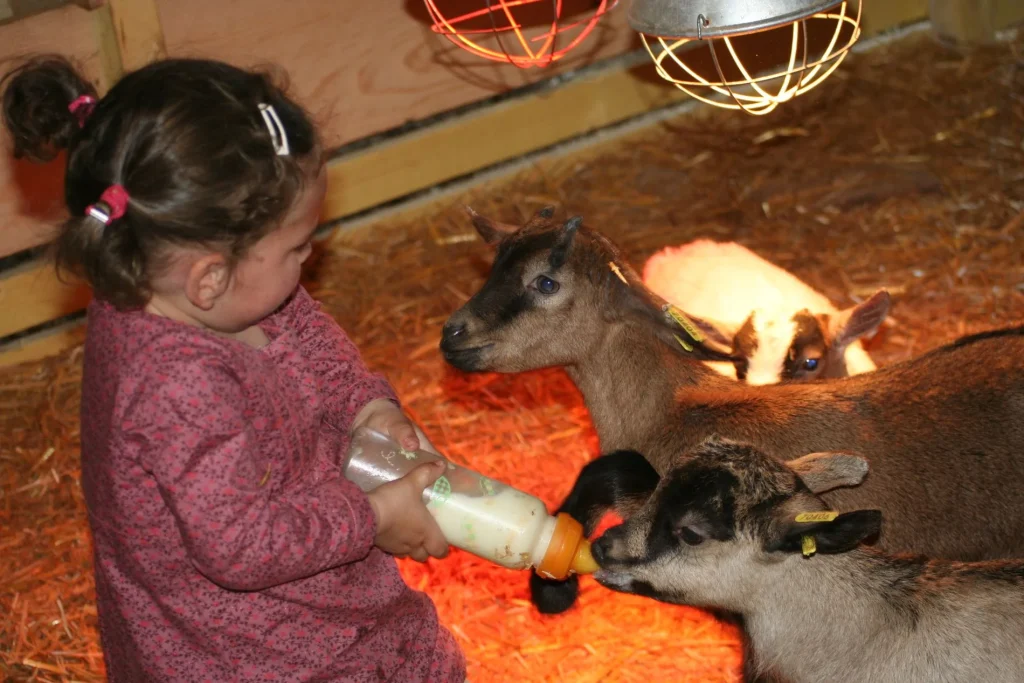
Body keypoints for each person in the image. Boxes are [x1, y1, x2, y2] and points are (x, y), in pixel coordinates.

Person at [1, 55, 465, 682]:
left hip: (315, 592)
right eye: (299, 248)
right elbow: (243, 545)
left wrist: (366, 405)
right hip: (248, 649)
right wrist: (376, 515)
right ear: (209, 277)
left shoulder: (202, 288)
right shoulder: (173, 383)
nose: (310, 259)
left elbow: (303, 326)